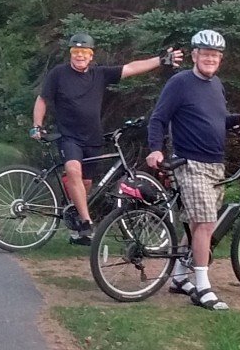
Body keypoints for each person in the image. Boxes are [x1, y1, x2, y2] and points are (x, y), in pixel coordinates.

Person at [144, 29, 240, 311]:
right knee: (206, 223)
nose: (210, 59)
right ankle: (203, 288)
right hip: (189, 163)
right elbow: (158, 118)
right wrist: (155, 149)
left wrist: (239, 117)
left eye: (215, 55)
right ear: (195, 55)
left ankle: (180, 277)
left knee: (198, 224)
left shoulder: (216, 85)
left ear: (220, 59)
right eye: (205, 54)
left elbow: (217, 119)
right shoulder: (180, 82)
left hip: (214, 164)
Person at [31, 32, 182, 244]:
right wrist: (37, 126)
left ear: (91, 55)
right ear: (70, 54)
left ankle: (77, 228)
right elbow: (42, 100)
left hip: (93, 139)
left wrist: (160, 60)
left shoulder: (99, 74)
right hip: (69, 136)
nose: (80, 56)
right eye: (76, 52)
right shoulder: (59, 74)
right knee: (73, 170)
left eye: (84, 52)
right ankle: (86, 222)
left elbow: (130, 68)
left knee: (85, 184)